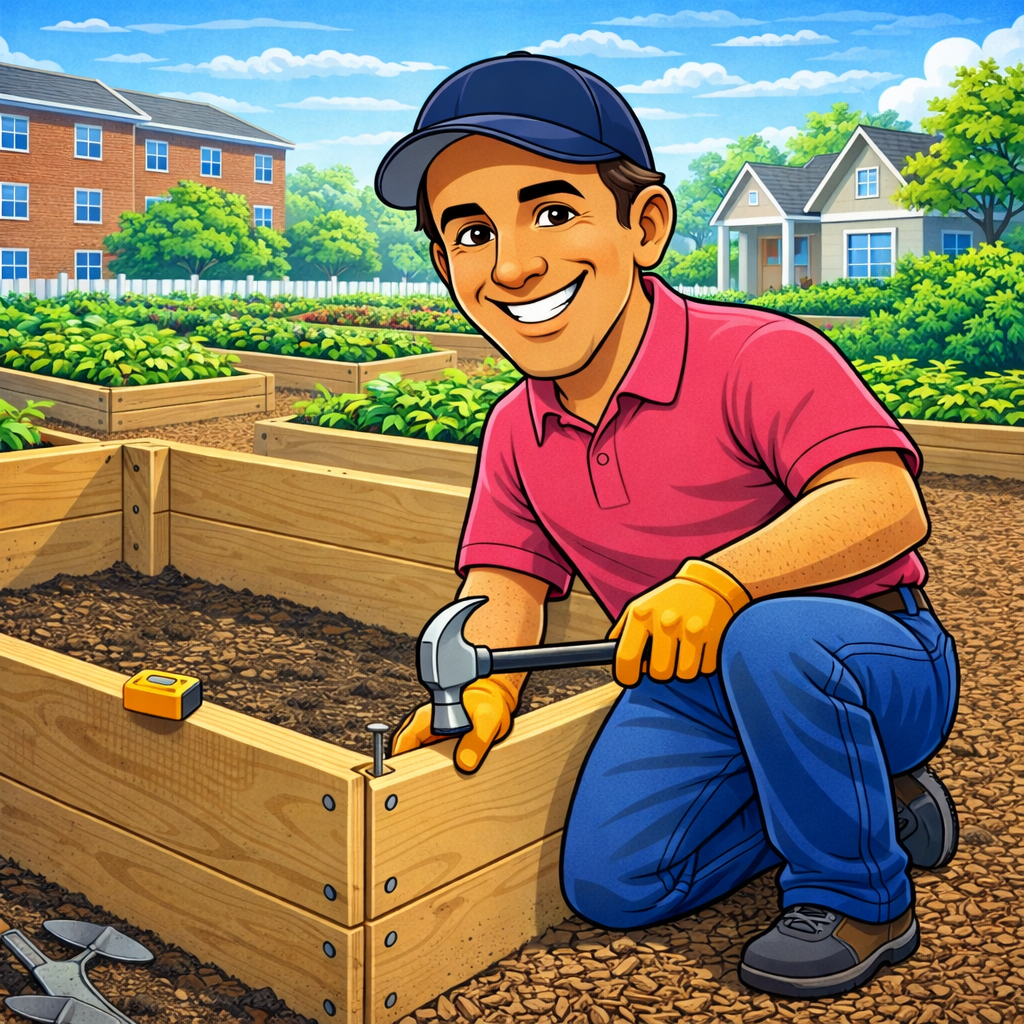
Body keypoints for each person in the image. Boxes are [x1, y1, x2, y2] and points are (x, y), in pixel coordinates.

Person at [375, 53, 960, 999]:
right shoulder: (518, 430)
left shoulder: (760, 357)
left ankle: (859, 892)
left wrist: (720, 583)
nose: (514, 264)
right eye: (472, 231)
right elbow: (503, 584)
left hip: (867, 656)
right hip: (690, 689)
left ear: (644, 225)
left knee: (770, 638)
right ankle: (857, 804)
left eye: (552, 212)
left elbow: (885, 503)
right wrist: (483, 682)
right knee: (617, 880)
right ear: (446, 264)